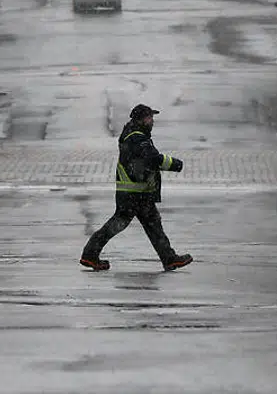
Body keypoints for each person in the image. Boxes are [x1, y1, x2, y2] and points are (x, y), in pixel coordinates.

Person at [80, 104, 193, 272]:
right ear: (141, 120)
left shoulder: (135, 135)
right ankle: (90, 254)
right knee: (124, 225)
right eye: (149, 117)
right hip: (134, 194)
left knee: (151, 225)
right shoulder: (137, 138)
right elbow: (153, 159)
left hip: (136, 193)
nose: (152, 121)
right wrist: (175, 164)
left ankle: (169, 259)